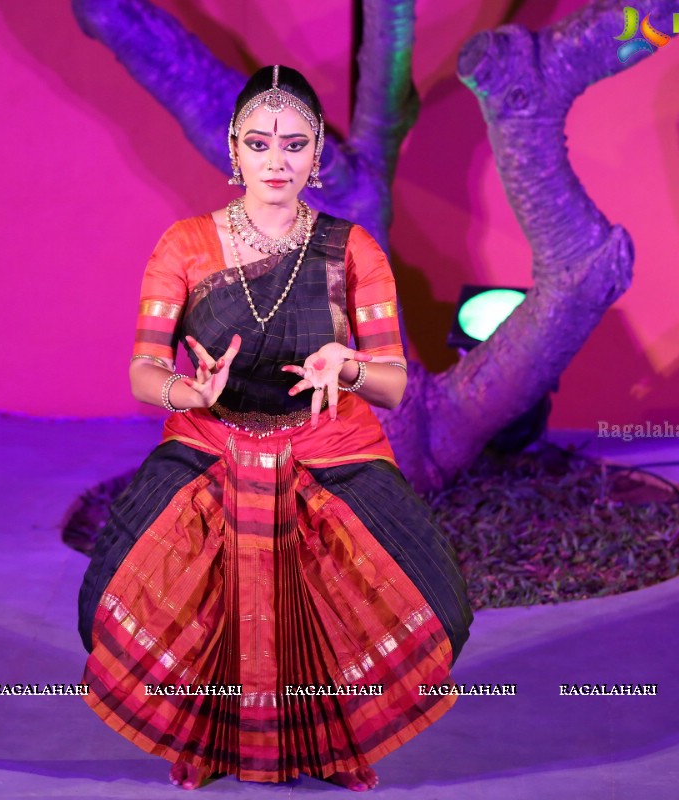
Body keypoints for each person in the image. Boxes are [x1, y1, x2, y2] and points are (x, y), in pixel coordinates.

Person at [77, 65, 472, 791]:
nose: (277, 161)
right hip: (210, 438)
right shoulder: (184, 246)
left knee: (438, 601)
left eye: (295, 145)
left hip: (328, 445)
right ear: (234, 150)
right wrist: (184, 389)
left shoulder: (353, 251)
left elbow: (392, 382)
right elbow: (140, 370)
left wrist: (344, 366)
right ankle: (208, 740)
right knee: (110, 593)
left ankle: (329, 741)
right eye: (259, 144)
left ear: (318, 153)